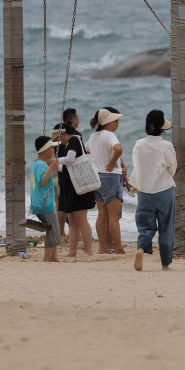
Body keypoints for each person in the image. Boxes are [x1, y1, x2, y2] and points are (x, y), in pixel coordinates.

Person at [130, 109, 178, 271]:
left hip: (143, 191)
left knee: (145, 226)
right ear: (161, 128)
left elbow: (137, 166)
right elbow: (173, 168)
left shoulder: (138, 144)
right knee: (166, 227)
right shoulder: (166, 146)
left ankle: (141, 249)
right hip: (163, 189)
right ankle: (165, 264)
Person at [87, 107, 126, 254]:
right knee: (114, 217)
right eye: (116, 121)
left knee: (102, 215)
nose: (117, 123)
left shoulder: (94, 136)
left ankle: (102, 247)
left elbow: (87, 151)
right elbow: (118, 149)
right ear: (110, 123)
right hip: (110, 177)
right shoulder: (109, 135)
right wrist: (112, 161)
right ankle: (119, 248)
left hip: (97, 177)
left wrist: (102, 159)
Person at [55, 122, 94, 257]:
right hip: (72, 187)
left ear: (63, 134)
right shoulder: (70, 143)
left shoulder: (74, 140)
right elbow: (67, 168)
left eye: (59, 137)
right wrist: (55, 165)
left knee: (81, 219)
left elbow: (70, 160)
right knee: (72, 219)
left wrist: (57, 160)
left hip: (79, 187)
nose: (60, 141)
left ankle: (88, 251)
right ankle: (72, 251)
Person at [29, 136, 60, 262]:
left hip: (38, 204)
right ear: (46, 149)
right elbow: (42, 182)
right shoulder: (42, 165)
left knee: (52, 231)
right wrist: (51, 168)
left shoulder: (37, 163)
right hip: (45, 205)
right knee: (54, 232)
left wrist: (51, 165)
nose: (53, 149)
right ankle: (47, 259)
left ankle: (54, 258)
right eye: (51, 147)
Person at [55, 108, 80, 237]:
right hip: (71, 173)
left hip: (60, 171)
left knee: (61, 204)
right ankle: (75, 232)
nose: (78, 120)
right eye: (77, 118)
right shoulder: (76, 136)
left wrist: (54, 162)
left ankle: (61, 232)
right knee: (73, 206)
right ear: (73, 120)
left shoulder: (56, 132)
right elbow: (74, 158)